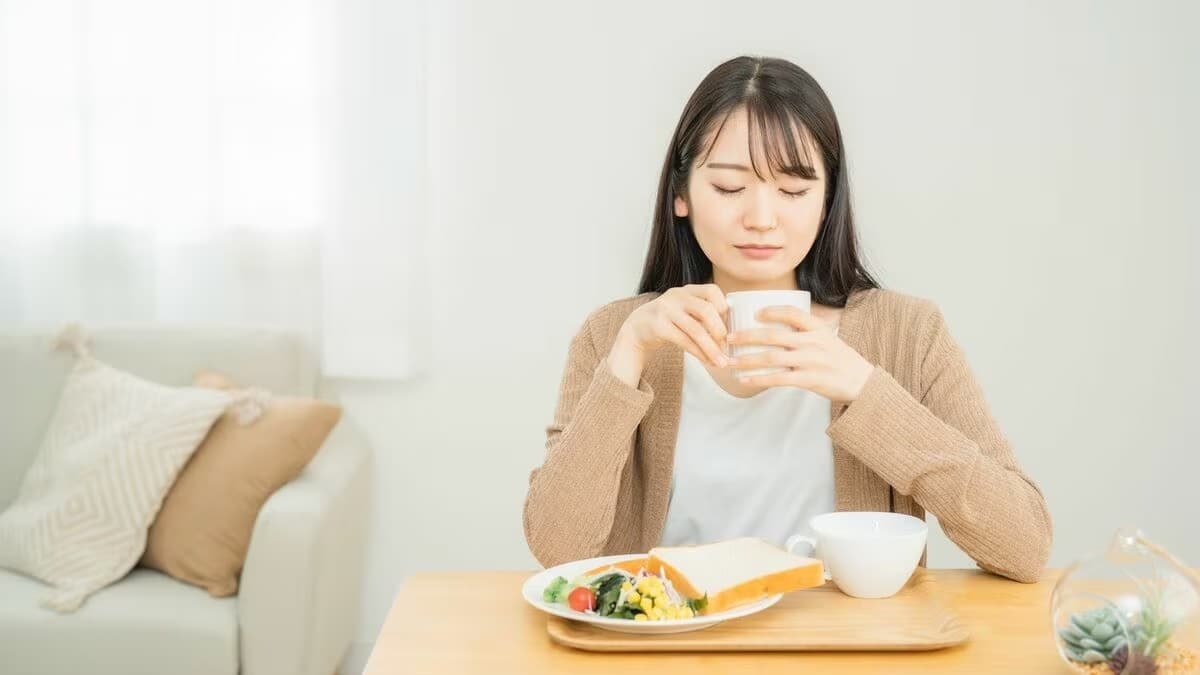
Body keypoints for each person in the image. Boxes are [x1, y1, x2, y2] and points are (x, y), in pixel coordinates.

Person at [522, 55, 1051, 583]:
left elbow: (1024, 544)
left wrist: (867, 392)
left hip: (845, 654)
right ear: (680, 195)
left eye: (794, 191)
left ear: (827, 200)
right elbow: (558, 549)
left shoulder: (908, 332)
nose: (761, 218)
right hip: (674, 649)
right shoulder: (615, 335)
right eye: (729, 188)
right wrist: (628, 354)